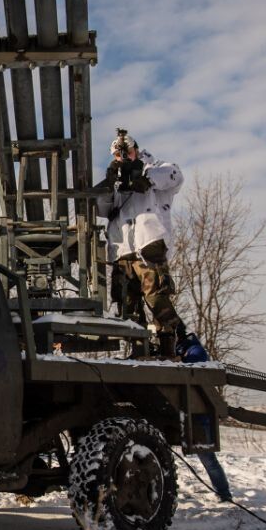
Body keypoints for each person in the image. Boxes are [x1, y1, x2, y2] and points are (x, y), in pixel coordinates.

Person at [95, 129, 205, 361]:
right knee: (127, 305)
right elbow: (102, 209)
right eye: (118, 155)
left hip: (148, 244)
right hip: (123, 250)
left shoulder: (153, 167)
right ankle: (139, 352)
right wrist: (108, 183)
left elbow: (175, 175)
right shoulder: (117, 182)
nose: (124, 158)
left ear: (136, 150)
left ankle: (171, 347)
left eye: (128, 152)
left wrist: (147, 177)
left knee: (156, 296)